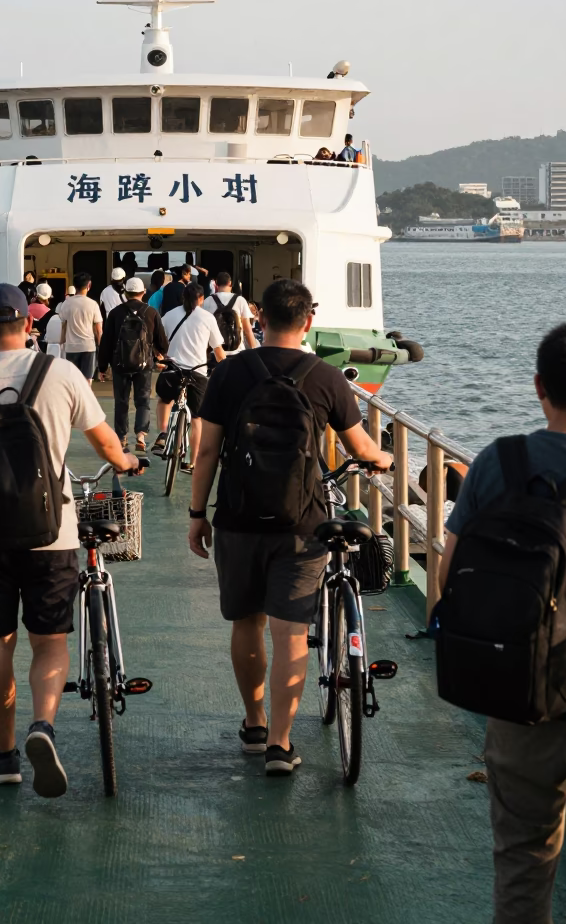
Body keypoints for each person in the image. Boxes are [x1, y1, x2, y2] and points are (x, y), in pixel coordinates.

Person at [0, 284, 139, 797]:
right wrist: (126, 462)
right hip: (54, 534)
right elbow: (106, 442)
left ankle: (4, 758)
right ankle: (41, 726)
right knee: (50, 643)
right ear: (29, 325)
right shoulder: (61, 373)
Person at [188, 279, 391, 775]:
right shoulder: (324, 377)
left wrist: (197, 515)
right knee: (291, 633)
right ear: (307, 322)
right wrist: (384, 457)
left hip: (237, 518)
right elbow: (361, 450)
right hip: (303, 524)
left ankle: (255, 723)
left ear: (260, 318)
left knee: (247, 623)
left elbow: (208, 452)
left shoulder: (230, 373)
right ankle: (281, 744)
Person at [438, 324, 566, 923]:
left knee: (523, 860)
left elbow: (446, 579)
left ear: (539, 386)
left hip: (526, 693)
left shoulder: (499, 462)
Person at [154, 282, 226, 469]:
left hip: (173, 371)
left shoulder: (169, 315)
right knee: (197, 418)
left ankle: (163, 433)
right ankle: (193, 462)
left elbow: (158, 341)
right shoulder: (208, 318)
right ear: (201, 299)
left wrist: (161, 358)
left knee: (164, 400)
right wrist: (225, 367)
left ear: (183, 297)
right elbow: (219, 352)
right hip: (197, 373)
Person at [98, 276, 169, 453]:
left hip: (120, 364)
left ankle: (122, 438)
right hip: (143, 365)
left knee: (121, 401)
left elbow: (106, 342)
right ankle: (141, 436)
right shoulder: (151, 312)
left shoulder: (115, 313)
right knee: (143, 400)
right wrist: (159, 353)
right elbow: (162, 342)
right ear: (143, 292)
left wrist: (102, 366)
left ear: (126, 292)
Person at [59, 273, 103, 384]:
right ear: (89, 285)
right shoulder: (93, 304)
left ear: (74, 285)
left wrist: (62, 342)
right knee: (87, 380)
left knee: (72, 380)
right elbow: (98, 329)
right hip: (88, 346)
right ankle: (85, 401)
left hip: (71, 347)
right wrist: (100, 345)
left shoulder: (66, 303)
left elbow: (63, 325)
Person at [204, 272, 256, 355]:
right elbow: (247, 329)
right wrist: (254, 350)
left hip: (215, 352)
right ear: (230, 283)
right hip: (237, 351)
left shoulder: (207, 301)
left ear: (216, 284)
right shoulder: (240, 300)